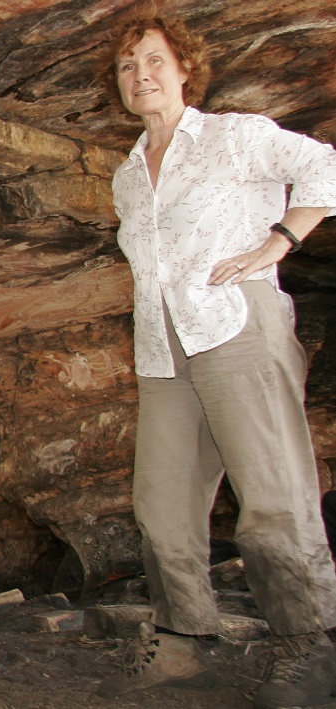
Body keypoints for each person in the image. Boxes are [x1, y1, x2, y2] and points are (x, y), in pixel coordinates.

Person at [93, 8, 336, 707]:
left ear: (183, 68)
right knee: (160, 501)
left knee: (271, 495)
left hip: (235, 325)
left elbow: (323, 163)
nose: (140, 75)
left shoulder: (232, 136)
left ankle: (308, 644)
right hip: (162, 347)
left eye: (152, 60)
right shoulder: (126, 176)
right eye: (125, 67)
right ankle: (182, 640)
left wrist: (281, 239)